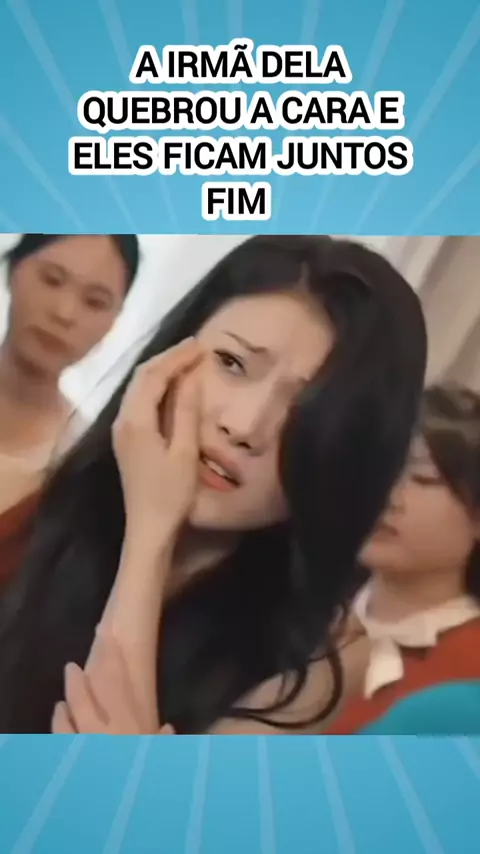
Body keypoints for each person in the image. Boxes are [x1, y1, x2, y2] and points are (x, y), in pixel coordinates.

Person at [0, 235, 426, 734]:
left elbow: (112, 769)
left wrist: (151, 532)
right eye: (232, 363)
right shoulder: (33, 499)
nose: (244, 426)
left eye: (305, 410)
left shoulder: (321, 663)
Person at [325, 383, 480, 734]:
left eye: (423, 479)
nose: (389, 496)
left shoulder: (469, 675)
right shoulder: (303, 614)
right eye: (382, 469)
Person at [0, 233, 139, 588]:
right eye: (51, 279)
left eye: (95, 302)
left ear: (114, 321)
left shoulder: (85, 465)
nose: (64, 313)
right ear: (13, 268)